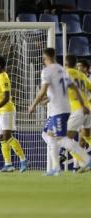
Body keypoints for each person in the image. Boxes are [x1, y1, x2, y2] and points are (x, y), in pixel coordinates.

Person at [28, 48, 91, 176]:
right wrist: (83, 104)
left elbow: (43, 90)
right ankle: (56, 167)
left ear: (45, 57)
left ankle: (86, 159)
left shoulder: (47, 71)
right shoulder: (62, 70)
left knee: (62, 139)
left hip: (59, 110)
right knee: (49, 135)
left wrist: (33, 104)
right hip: (66, 108)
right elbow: (73, 88)